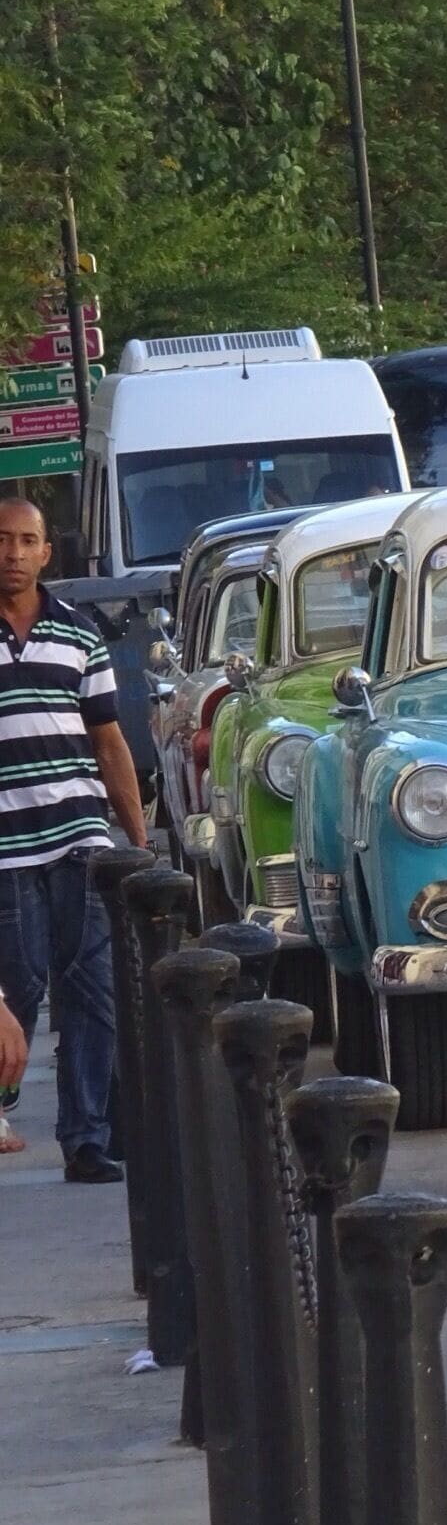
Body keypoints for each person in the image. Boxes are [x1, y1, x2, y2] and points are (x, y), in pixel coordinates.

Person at [0, 498, 147, 1177]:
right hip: (7, 848)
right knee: (19, 986)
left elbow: (108, 741)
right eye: (3, 539)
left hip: (79, 835)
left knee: (93, 991)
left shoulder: (79, 633)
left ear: (45, 552)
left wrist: (137, 840)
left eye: (26, 540)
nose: (13, 553)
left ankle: (86, 1137)